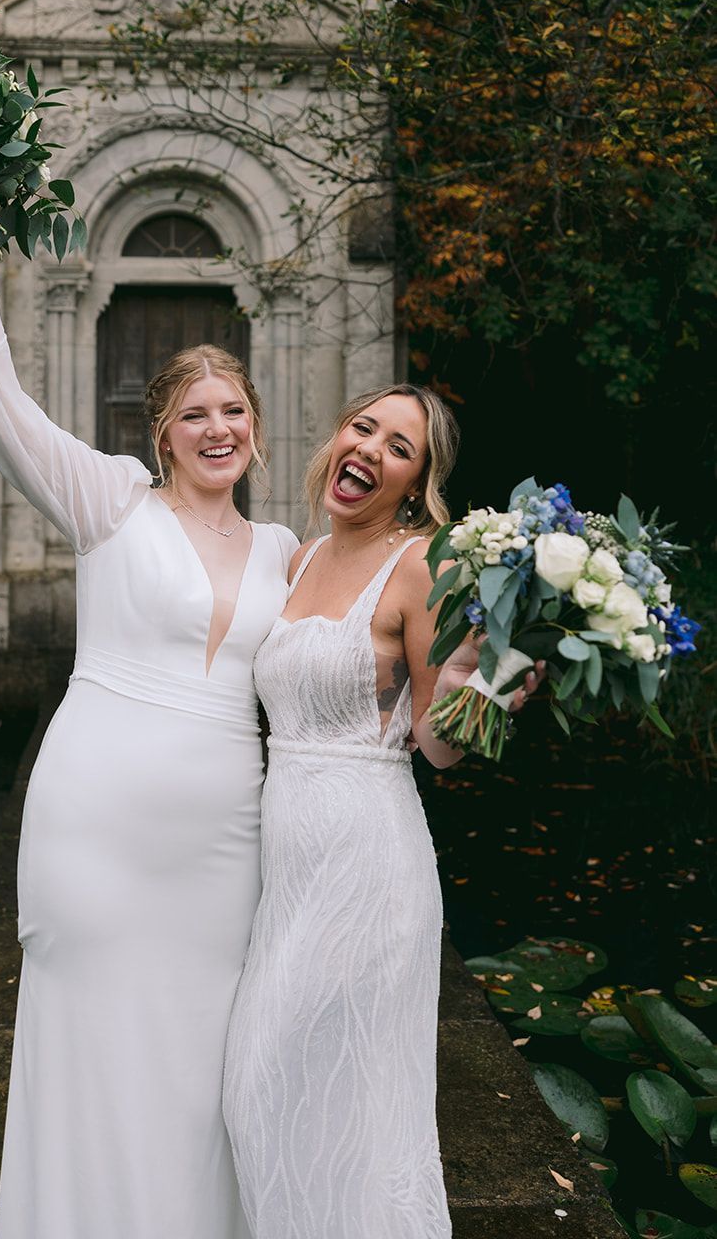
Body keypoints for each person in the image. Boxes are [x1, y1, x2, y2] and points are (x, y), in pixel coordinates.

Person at [0, 174, 299, 1239]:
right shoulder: (111, 502)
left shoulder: (282, 554)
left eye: (232, 411)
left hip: (225, 849)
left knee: (198, 1078)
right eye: (194, 415)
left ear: (255, 428)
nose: (215, 428)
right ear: (162, 431)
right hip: (95, 832)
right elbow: (0, 414)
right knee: (90, 1061)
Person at [223, 384, 542, 1239]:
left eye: (398, 447)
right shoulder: (291, 560)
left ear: (415, 481)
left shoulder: (423, 563)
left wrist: (503, 677)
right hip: (286, 865)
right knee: (260, 1093)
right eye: (362, 428)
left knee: (329, 1100)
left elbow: (438, 746)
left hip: (368, 860)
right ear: (334, 440)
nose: (369, 450)